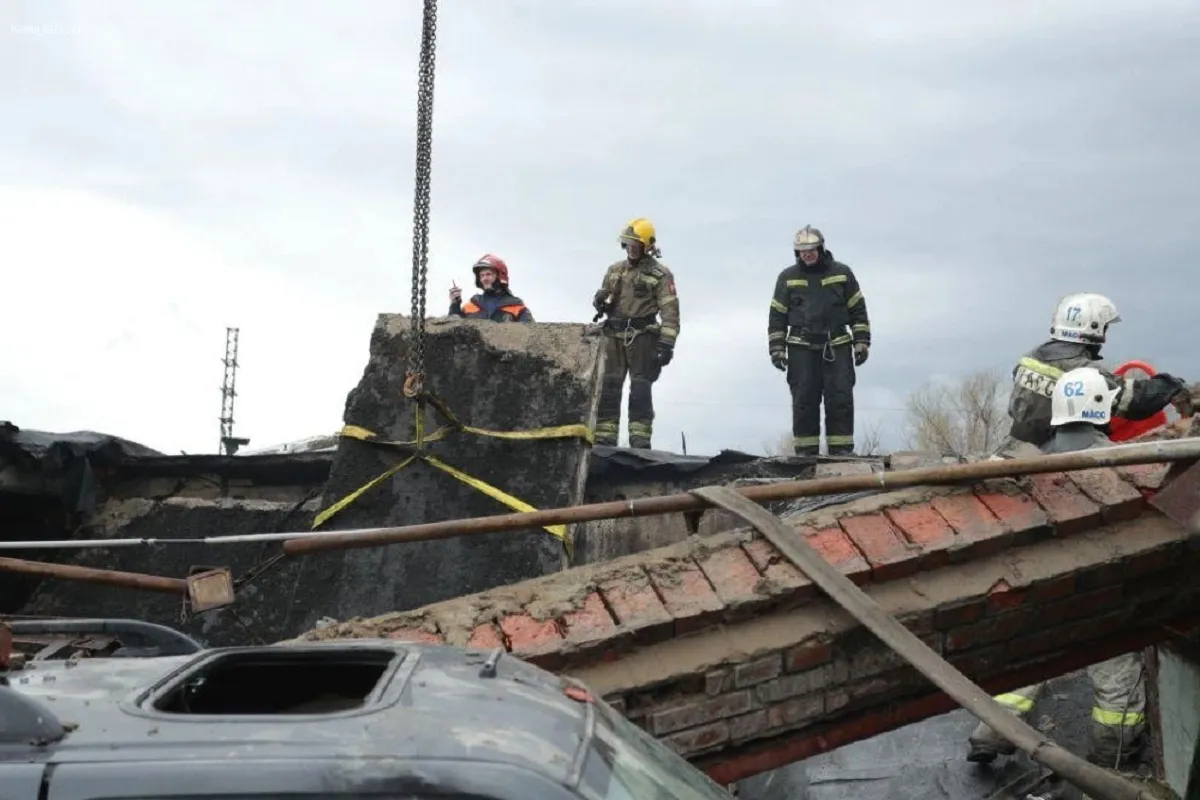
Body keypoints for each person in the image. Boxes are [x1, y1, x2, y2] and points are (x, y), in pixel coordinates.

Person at [969, 367, 1174, 785]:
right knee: (1117, 677)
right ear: (1102, 407)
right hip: (1105, 589)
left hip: (1040, 587)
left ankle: (991, 734)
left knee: (1027, 667)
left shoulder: (1028, 458)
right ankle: (1111, 762)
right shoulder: (1121, 461)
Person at [996, 292, 1186, 458]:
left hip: (1015, 446)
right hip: (1060, 449)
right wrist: (1171, 385)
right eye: (1105, 328)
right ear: (1094, 327)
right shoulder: (1082, 370)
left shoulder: (1030, 358)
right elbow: (1135, 400)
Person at [767, 225, 871, 456]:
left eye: (811, 250)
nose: (807, 255)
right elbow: (777, 316)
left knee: (840, 399)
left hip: (837, 346)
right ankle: (806, 454)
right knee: (804, 400)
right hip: (801, 349)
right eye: (802, 251)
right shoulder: (787, 278)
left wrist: (861, 341)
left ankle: (841, 452)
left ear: (821, 248)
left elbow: (858, 310)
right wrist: (777, 348)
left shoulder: (842, 273)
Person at [591, 218, 680, 449]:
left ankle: (640, 442)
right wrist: (599, 300)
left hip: (643, 337)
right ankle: (604, 440)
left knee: (640, 388)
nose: (631, 248)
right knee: (609, 387)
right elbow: (605, 297)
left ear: (646, 245)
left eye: (636, 243)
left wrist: (666, 344)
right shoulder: (615, 270)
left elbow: (670, 311)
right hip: (613, 336)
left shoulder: (660, 274)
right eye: (628, 243)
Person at [448, 254, 534, 322]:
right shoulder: (471, 306)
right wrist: (455, 305)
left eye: (488, 274)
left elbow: (531, 334)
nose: (484, 279)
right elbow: (453, 329)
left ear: (500, 276)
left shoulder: (517, 307)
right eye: (482, 275)